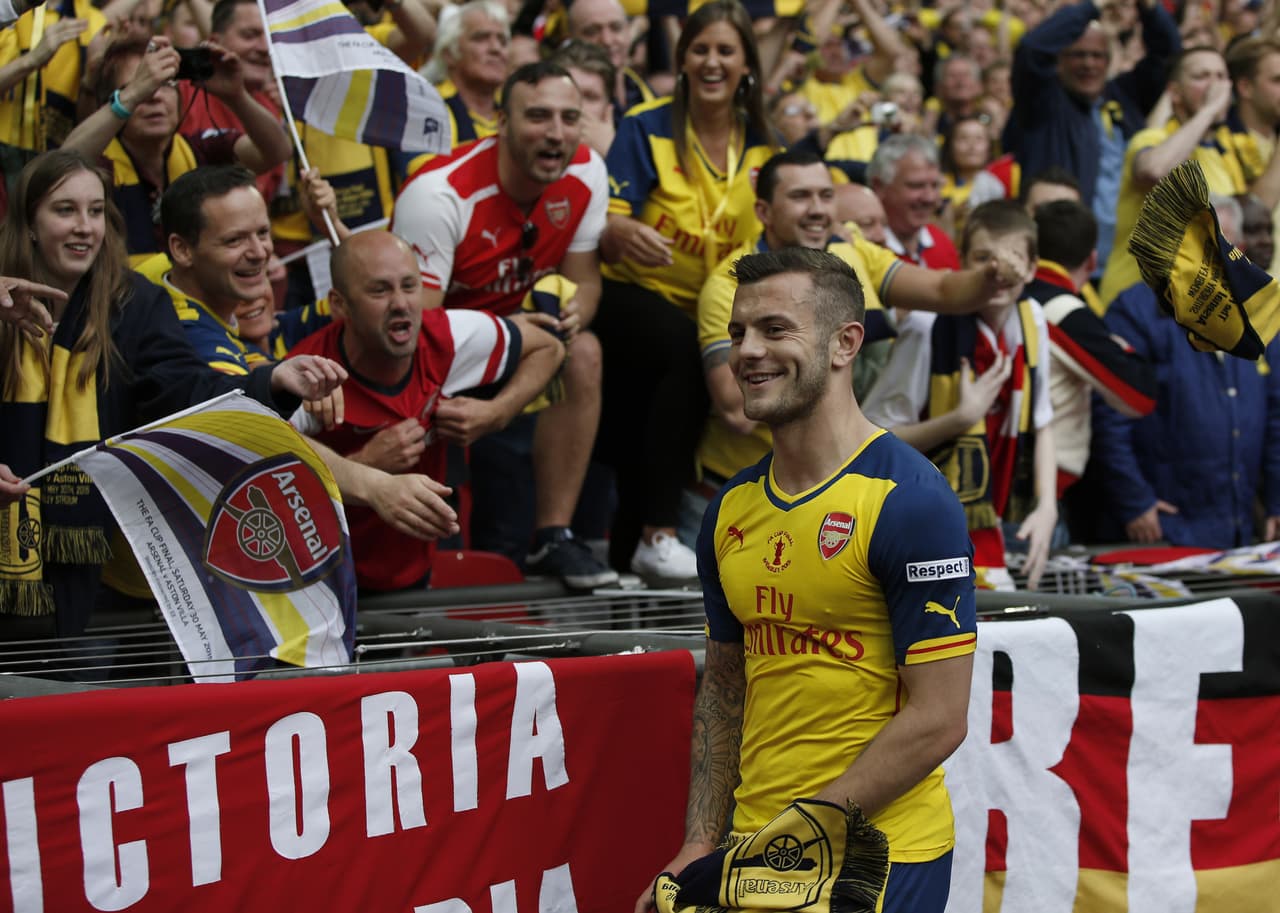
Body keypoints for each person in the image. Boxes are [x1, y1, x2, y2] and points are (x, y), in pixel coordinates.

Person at [637, 247, 976, 913]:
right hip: (756, 852)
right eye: (737, 333)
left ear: (847, 342)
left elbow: (939, 719)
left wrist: (790, 835)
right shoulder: (728, 509)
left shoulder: (910, 499)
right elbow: (727, 686)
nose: (747, 352)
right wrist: (702, 840)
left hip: (874, 858)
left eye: (775, 329)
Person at [0, 149, 344, 635]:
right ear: (29, 223)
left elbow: (186, 391)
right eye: (65, 210)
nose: (84, 227)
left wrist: (274, 381)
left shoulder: (135, 303)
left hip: (86, 567)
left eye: (95, 211)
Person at [684, 149, 1034, 546]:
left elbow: (942, 289)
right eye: (800, 197)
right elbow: (737, 411)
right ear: (763, 211)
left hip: (838, 490)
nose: (818, 210)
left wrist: (990, 276)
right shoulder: (728, 287)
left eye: (826, 196)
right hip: (738, 498)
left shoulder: (852, 253)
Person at [392, 61, 615, 589]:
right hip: (436, 344)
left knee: (584, 348)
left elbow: (586, 282)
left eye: (568, 117)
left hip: (523, 337)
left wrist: (578, 307)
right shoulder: (439, 194)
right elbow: (412, 331)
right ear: (501, 122)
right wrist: (505, 328)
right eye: (537, 116)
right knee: (557, 348)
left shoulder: (587, 171)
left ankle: (553, 536)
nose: (556, 133)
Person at [595, 0, 777, 582]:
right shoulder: (645, 125)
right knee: (682, 350)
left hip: (720, 306)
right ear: (681, 60)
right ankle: (658, 533)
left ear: (747, 62)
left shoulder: (763, 145)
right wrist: (624, 230)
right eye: (700, 50)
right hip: (636, 294)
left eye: (726, 50)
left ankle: (632, 552)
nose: (712, 62)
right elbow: (607, 223)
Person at [289, 231, 565, 593]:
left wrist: (495, 414)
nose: (401, 304)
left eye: (409, 286)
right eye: (379, 291)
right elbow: (262, 483)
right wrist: (366, 463)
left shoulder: (445, 337)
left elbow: (549, 348)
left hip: (415, 572)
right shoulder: (309, 380)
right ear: (339, 305)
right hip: (321, 583)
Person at [864, 200, 1056, 590]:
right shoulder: (927, 324)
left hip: (994, 525)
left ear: (1032, 268)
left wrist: (1047, 506)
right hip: (916, 528)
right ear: (962, 265)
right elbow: (868, 440)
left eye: (1013, 260)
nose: (997, 272)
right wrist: (959, 420)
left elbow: (1043, 421)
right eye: (984, 258)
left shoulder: (1032, 318)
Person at [1092, 194, 1280, 549]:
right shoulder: (1134, 312)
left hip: (1238, 528)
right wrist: (1135, 500)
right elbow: (1109, 414)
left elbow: (1276, 415)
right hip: (1165, 528)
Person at [60, 34, 290, 263]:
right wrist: (131, 97)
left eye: (166, 85)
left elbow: (276, 152)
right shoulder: (101, 162)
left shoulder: (199, 149)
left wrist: (236, 95)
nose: (154, 97)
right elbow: (61, 166)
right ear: (111, 100)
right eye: (141, 86)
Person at [1003, 0, 1180, 272]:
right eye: (1078, 54)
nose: (1089, 64)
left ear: (1109, 61)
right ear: (1059, 60)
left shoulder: (1125, 96)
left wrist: (1149, 8)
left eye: (1097, 56)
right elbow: (1031, 49)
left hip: (1126, 263)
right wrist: (1093, 6)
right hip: (1062, 260)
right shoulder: (1044, 102)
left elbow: (1167, 54)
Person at [1027, 199, 1155, 544]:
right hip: (1033, 496)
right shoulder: (1063, 310)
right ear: (1092, 260)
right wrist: (1119, 343)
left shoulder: (1010, 294)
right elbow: (1138, 396)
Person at [1098, 46, 1259, 307]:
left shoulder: (1222, 156)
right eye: (1201, 77)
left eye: (1221, 77)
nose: (1215, 87)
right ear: (1175, 92)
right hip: (1134, 304)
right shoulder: (1152, 139)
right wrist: (1207, 111)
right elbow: (1153, 171)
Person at [868, 133, 961, 270]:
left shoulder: (942, 242)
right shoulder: (865, 249)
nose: (929, 198)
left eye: (935, 185)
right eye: (916, 185)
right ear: (879, 186)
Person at [563, 0, 653, 118]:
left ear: (628, 31)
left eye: (616, 28)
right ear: (571, 39)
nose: (607, 40)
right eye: (592, 32)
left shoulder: (643, 92)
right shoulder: (561, 102)